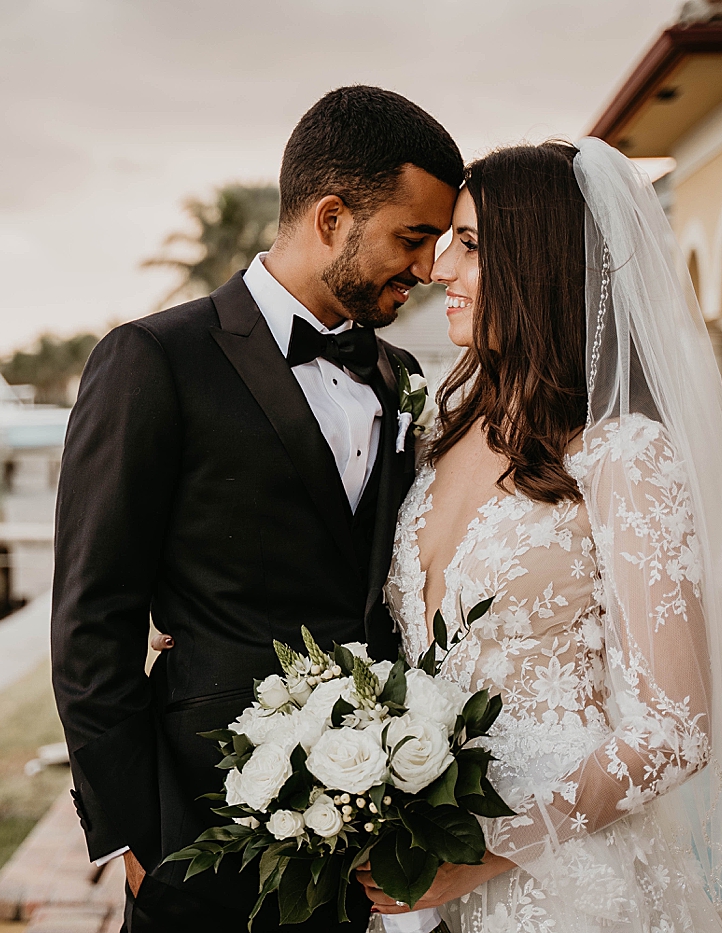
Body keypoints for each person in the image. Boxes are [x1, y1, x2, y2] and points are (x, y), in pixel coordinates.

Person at [51, 86, 461, 932]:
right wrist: (133, 836)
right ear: (331, 216)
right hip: (200, 826)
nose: (426, 269)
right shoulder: (154, 359)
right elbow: (93, 616)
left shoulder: (397, 378)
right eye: (412, 237)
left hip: (370, 825)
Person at [358, 139, 722, 932]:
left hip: (566, 886)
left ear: (540, 264)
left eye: (472, 245)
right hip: (426, 877)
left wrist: (487, 854)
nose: (439, 269)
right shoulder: (441, 436)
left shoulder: (626, 453)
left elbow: (676, 728)